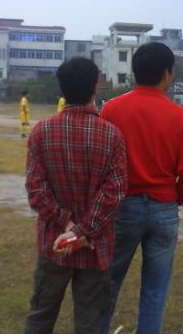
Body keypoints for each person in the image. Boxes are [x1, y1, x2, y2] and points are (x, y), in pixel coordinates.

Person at [100, 42, 183, 334]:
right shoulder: (178, 116)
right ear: (167, 74)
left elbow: (100, 162)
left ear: (135, 72)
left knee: (107, 284)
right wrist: (176, 199)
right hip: (163, 209)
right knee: (155, 291)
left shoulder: (112, 109)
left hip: (122, 208)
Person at [24, 57, 127, 334]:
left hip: (54, 244)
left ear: (62, 89)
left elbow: (36, 190)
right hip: (95, 247)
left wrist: (67, 226)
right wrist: (82, 232)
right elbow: (114, 194)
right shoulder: (112, 136)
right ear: (95, 88)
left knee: (41, 316)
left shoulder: (41, 132)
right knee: (90, 322)